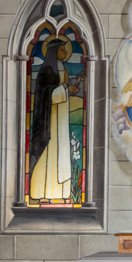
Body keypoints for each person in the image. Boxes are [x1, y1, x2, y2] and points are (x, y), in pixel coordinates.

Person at [29, 39, 85, 202]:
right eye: (62, 50)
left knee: (61, 152)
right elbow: (47, 96)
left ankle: (59, 193)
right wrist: (66, 89)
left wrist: (69, 89)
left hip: (61, 118)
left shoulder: (63, 68)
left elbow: (60, 92)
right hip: (49, 120)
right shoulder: (47, 71)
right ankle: (41, 192)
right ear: (54, 52)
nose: (65, 53)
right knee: (50, 152)